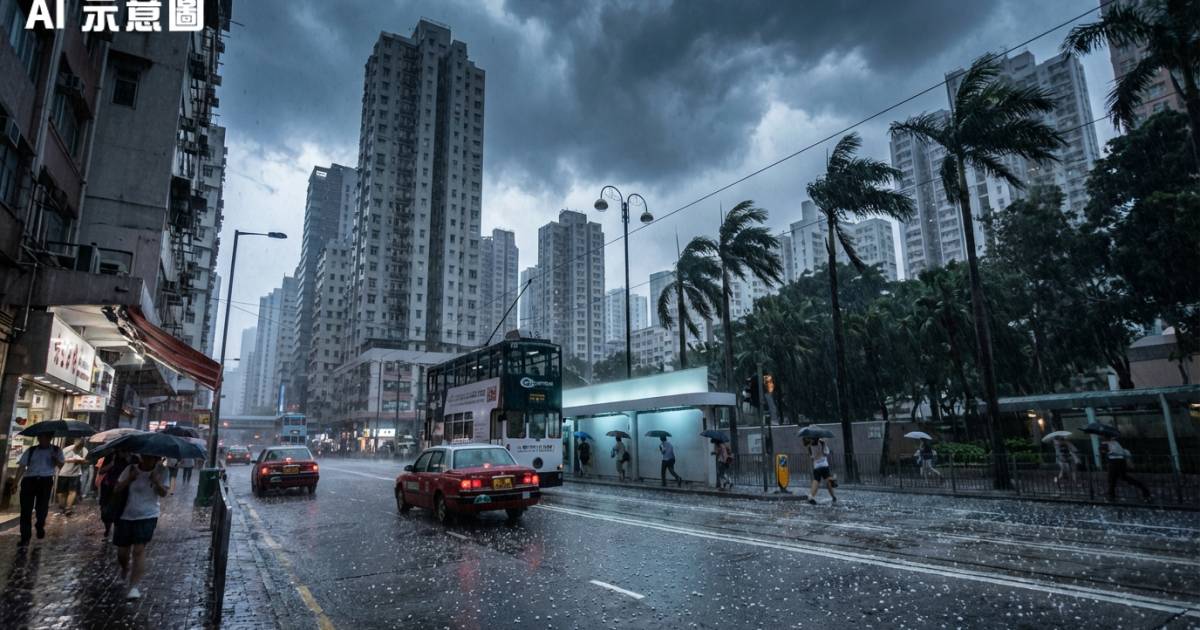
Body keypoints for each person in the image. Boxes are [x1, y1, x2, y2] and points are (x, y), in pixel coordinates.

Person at [114, 454, 168, 600]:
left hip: (148, 515)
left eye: (152, 458)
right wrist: (130, 478)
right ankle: (125, 567)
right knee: (122, 553)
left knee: (138, 550)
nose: (148, 460)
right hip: (126, 515)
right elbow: (117, 488)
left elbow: (164, 493)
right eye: (146, 457)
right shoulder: (130, 469)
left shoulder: (162, 471)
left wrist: (156, 482)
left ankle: (134, 587)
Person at [13, 434, 64, 545]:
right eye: (39, 437)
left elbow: (61, 465)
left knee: (42, 508)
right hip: (29, 480)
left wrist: (55, 459)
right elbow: (22, 466)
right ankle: (25, 537)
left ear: (49, 438)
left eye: (43, 437)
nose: (41, 440)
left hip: (45, 481)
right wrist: (15, 482)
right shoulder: (31, 450)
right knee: (26, 509)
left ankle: (40, 525)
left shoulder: (56, 450)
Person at [1103, 436, 1151, 503]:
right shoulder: (1115, 443)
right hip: (1119, 462)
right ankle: (1111, 496)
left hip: (1114, 463)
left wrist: (1104, 447)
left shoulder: (1110, 443)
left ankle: (1111, 496)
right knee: (1116, 479)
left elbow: (1105, 451)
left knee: (1113, 479)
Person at [98, 451, 132, 539]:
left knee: (120, 511)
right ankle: (108, 528)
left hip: (123, 488)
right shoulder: (110, 456)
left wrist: (129, 461)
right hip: (108, 487)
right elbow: (101, 471)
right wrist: (111, 464)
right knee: (105, 511)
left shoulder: (132, 458)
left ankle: (117, 532)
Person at [57, 438, 89, 515]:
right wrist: (69, 460)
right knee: (61, 492)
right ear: (75, 443)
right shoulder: (67, 449)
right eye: (78, 446)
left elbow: (86, 460)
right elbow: (60, 459)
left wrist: (82, 461)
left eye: (81, 446)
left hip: (75, 474)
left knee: (72, 491)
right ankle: (62, 506)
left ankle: (68, 508)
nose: (79, 448)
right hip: (64, 473)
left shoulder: (85, 450)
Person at [805, 437, 837, 505]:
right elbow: (826, 452)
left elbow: (812, 457)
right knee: (828, 481)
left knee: (816, 481)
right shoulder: (822, 442)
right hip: (824, 464)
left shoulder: (810, 446)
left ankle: (811, 497)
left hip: (817, 466)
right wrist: (824, 444)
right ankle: (833, 495)